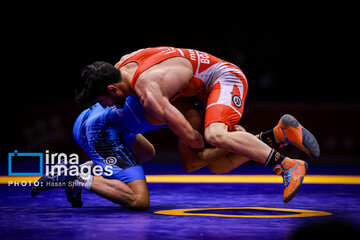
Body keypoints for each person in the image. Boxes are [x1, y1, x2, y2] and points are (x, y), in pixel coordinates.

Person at [76, 47, 320, 203]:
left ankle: (287, 165)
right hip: (199, 93)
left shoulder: (148, 91)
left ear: (112, 88)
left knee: (214, 135)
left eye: (102, 101)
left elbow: (191, 139)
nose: (106, 106)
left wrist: (193, 135)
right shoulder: (125, 63)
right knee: (212, 163)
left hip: (222, 78)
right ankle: (274, 136)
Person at [31, 96, 163, 210]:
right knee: (139, 199)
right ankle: (73, 175)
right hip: (100, 129)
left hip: (92, 116)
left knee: (146, 153)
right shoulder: (172, 92)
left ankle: (83, 169)